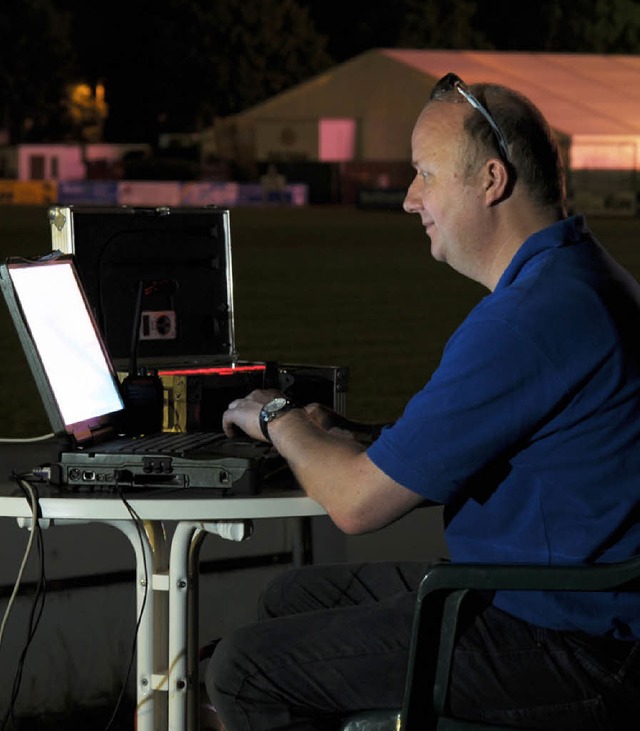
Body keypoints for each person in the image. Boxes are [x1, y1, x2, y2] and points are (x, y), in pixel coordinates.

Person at [204, 73, 640, 730]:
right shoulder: (576, 275)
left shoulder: (527, 319)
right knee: (289, 596)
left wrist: (275, 416)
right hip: (559, 599)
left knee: (243, 667)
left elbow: (355, 503)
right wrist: (344, 436)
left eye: (425, 175)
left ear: (491, 181)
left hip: (571, 639)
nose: (409, 200)